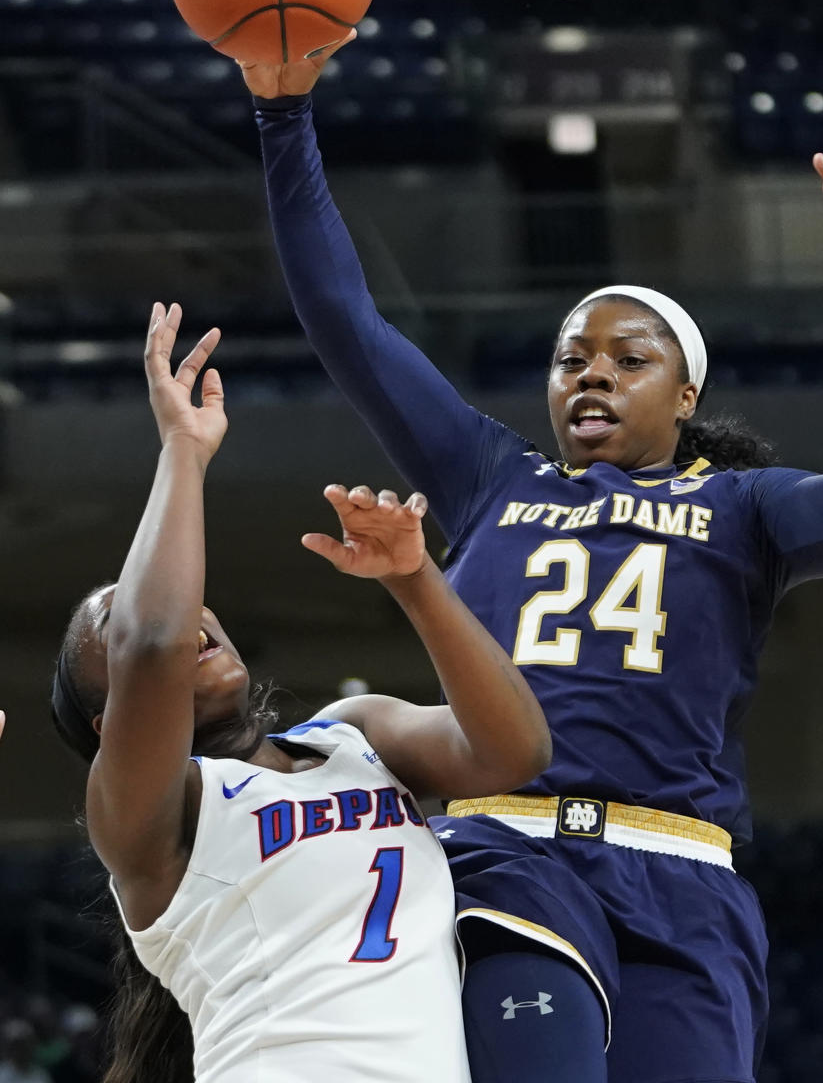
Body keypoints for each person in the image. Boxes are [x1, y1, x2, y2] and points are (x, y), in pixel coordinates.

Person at [242, 46, 823, 1083]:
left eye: (628, 358)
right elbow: (347, 321)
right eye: (573, 358)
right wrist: (282, 111)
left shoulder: (743, 506)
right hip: (511, 853)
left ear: (686, 396)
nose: (593, 374)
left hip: (684, 874)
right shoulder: (486, 473)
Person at [50, 302, 551, 1083]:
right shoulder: (149, 816)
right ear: (110, 719)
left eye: (188, 605)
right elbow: (152, 643)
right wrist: (183, 448)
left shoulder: (353, 736)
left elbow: (515, 750)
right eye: (118, 626)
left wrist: (416, 580)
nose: (190, 618)